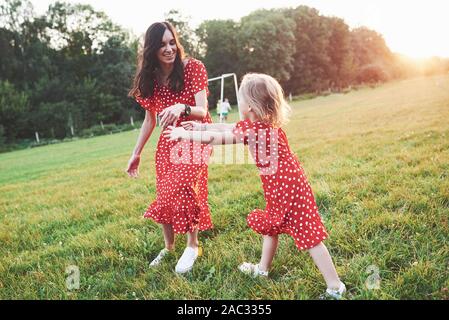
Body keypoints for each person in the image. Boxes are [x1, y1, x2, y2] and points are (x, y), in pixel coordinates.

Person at [163, 73, 346, 299]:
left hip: (288, 190)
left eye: (239, 100)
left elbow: (219, 138)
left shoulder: (255, 131)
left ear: (248, 106)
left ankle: (335, 287)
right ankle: (262, 269)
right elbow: (226, 127)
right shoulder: (259, 124)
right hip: (283, 186)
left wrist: (184, 134)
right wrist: (197, 129)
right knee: (271, 227)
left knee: (309, 236)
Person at [126, 21, 213, 274]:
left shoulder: (192, 68)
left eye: (172, 42)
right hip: (169, 142)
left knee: (184, 184)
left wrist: (181, 108)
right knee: (165, 193)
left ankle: (193, 245)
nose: (169, 48)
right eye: (162, 44)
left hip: (196, 135)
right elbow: (149, 120)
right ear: (152, 49)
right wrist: (136, 153)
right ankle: (169, 246)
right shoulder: (150, 79)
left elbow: (202, 110)